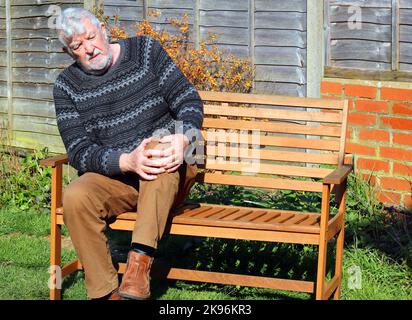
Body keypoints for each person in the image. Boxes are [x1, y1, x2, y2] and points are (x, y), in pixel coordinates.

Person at [53, 8, 203, 300]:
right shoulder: (66, 86)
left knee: (156, 150)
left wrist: (183, 138)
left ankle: (138, 267)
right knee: (75, 195)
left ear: (104, 30)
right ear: (68, 52)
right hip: (121, 177)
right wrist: (125, 161)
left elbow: (189, 99)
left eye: (91, 37)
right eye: (77, 47)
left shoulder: (145, 51)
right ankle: (106, 293)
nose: (89, 49)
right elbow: (79, 151)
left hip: (172, 168)